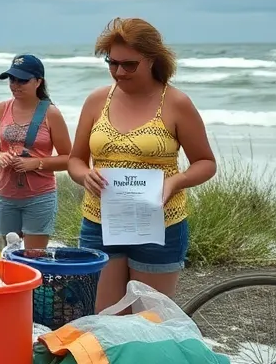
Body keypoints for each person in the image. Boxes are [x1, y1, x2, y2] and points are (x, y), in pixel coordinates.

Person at [68, 17, 216, 313]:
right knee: (105, 322)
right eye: (112, 63)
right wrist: (85, 176)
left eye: (129, 64)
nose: (119, 72)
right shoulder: (98, 100)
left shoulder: (176, 103)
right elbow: (75, 160)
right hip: (101, 223)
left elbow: (205, 163)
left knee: (150, 324)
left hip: (159, 225)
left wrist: (175, 182)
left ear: (152, 59)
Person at [0, 54, 72, 250]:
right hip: (5, 194)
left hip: (39, 196)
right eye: (12, 79)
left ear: (39, 81)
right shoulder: (1, 109)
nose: (15, 85)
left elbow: (68, 159)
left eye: (23, 80)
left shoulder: (51, 113)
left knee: (34, 256)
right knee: (10, 254)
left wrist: (36, 163)